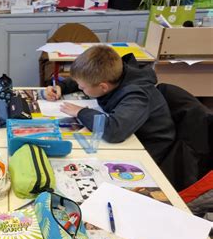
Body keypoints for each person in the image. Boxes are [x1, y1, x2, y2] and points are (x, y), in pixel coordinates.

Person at [43, 45, 175, 164]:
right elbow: (85, 78)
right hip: (131, 138)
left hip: (150, 152)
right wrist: (62, 87)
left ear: (103, 87)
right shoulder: (115, 74)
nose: (79, 87)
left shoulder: (137, 96)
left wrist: (80, 112)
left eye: (82, 87)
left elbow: (114, 132)